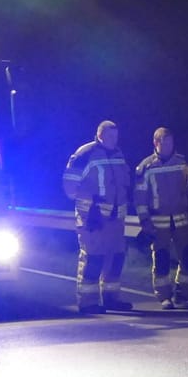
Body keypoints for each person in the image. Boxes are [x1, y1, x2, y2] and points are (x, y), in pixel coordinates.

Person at [62, 119, 133, 313]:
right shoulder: (85, 154)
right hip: (93, 218)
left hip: (116, 218)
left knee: (116, 257)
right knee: (93, 258)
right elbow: (70, 186)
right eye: (110, 136)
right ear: (100, 135)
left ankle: (111, 298)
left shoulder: (118, 153)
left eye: (116, 136)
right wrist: (88, 204)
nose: (114, 140)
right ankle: (88, 301)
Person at [134, 126, 188, 310]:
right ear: (156, 143)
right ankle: (164, 297)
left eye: (171, 142)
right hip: (158, 222)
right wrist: (144, 220)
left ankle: (182, 294)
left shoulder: (182, 163)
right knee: (161, 260)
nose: (170, 146)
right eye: (166, 142)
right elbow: (140, 197)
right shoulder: (146, 167)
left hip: (181, 221)